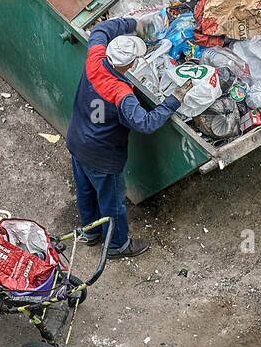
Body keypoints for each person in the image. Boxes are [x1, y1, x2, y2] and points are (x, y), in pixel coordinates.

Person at [65, 17, 192, 258]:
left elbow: (101, 29)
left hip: (77, 141)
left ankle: (90, 233)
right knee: (112, 203)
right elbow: (145, 123)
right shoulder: (121, 93)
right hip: (102, 157)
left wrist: (133, 24)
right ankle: (116, 246)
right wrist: (174, 100)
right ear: (131, 63)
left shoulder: (95, 59)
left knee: (85, 190)